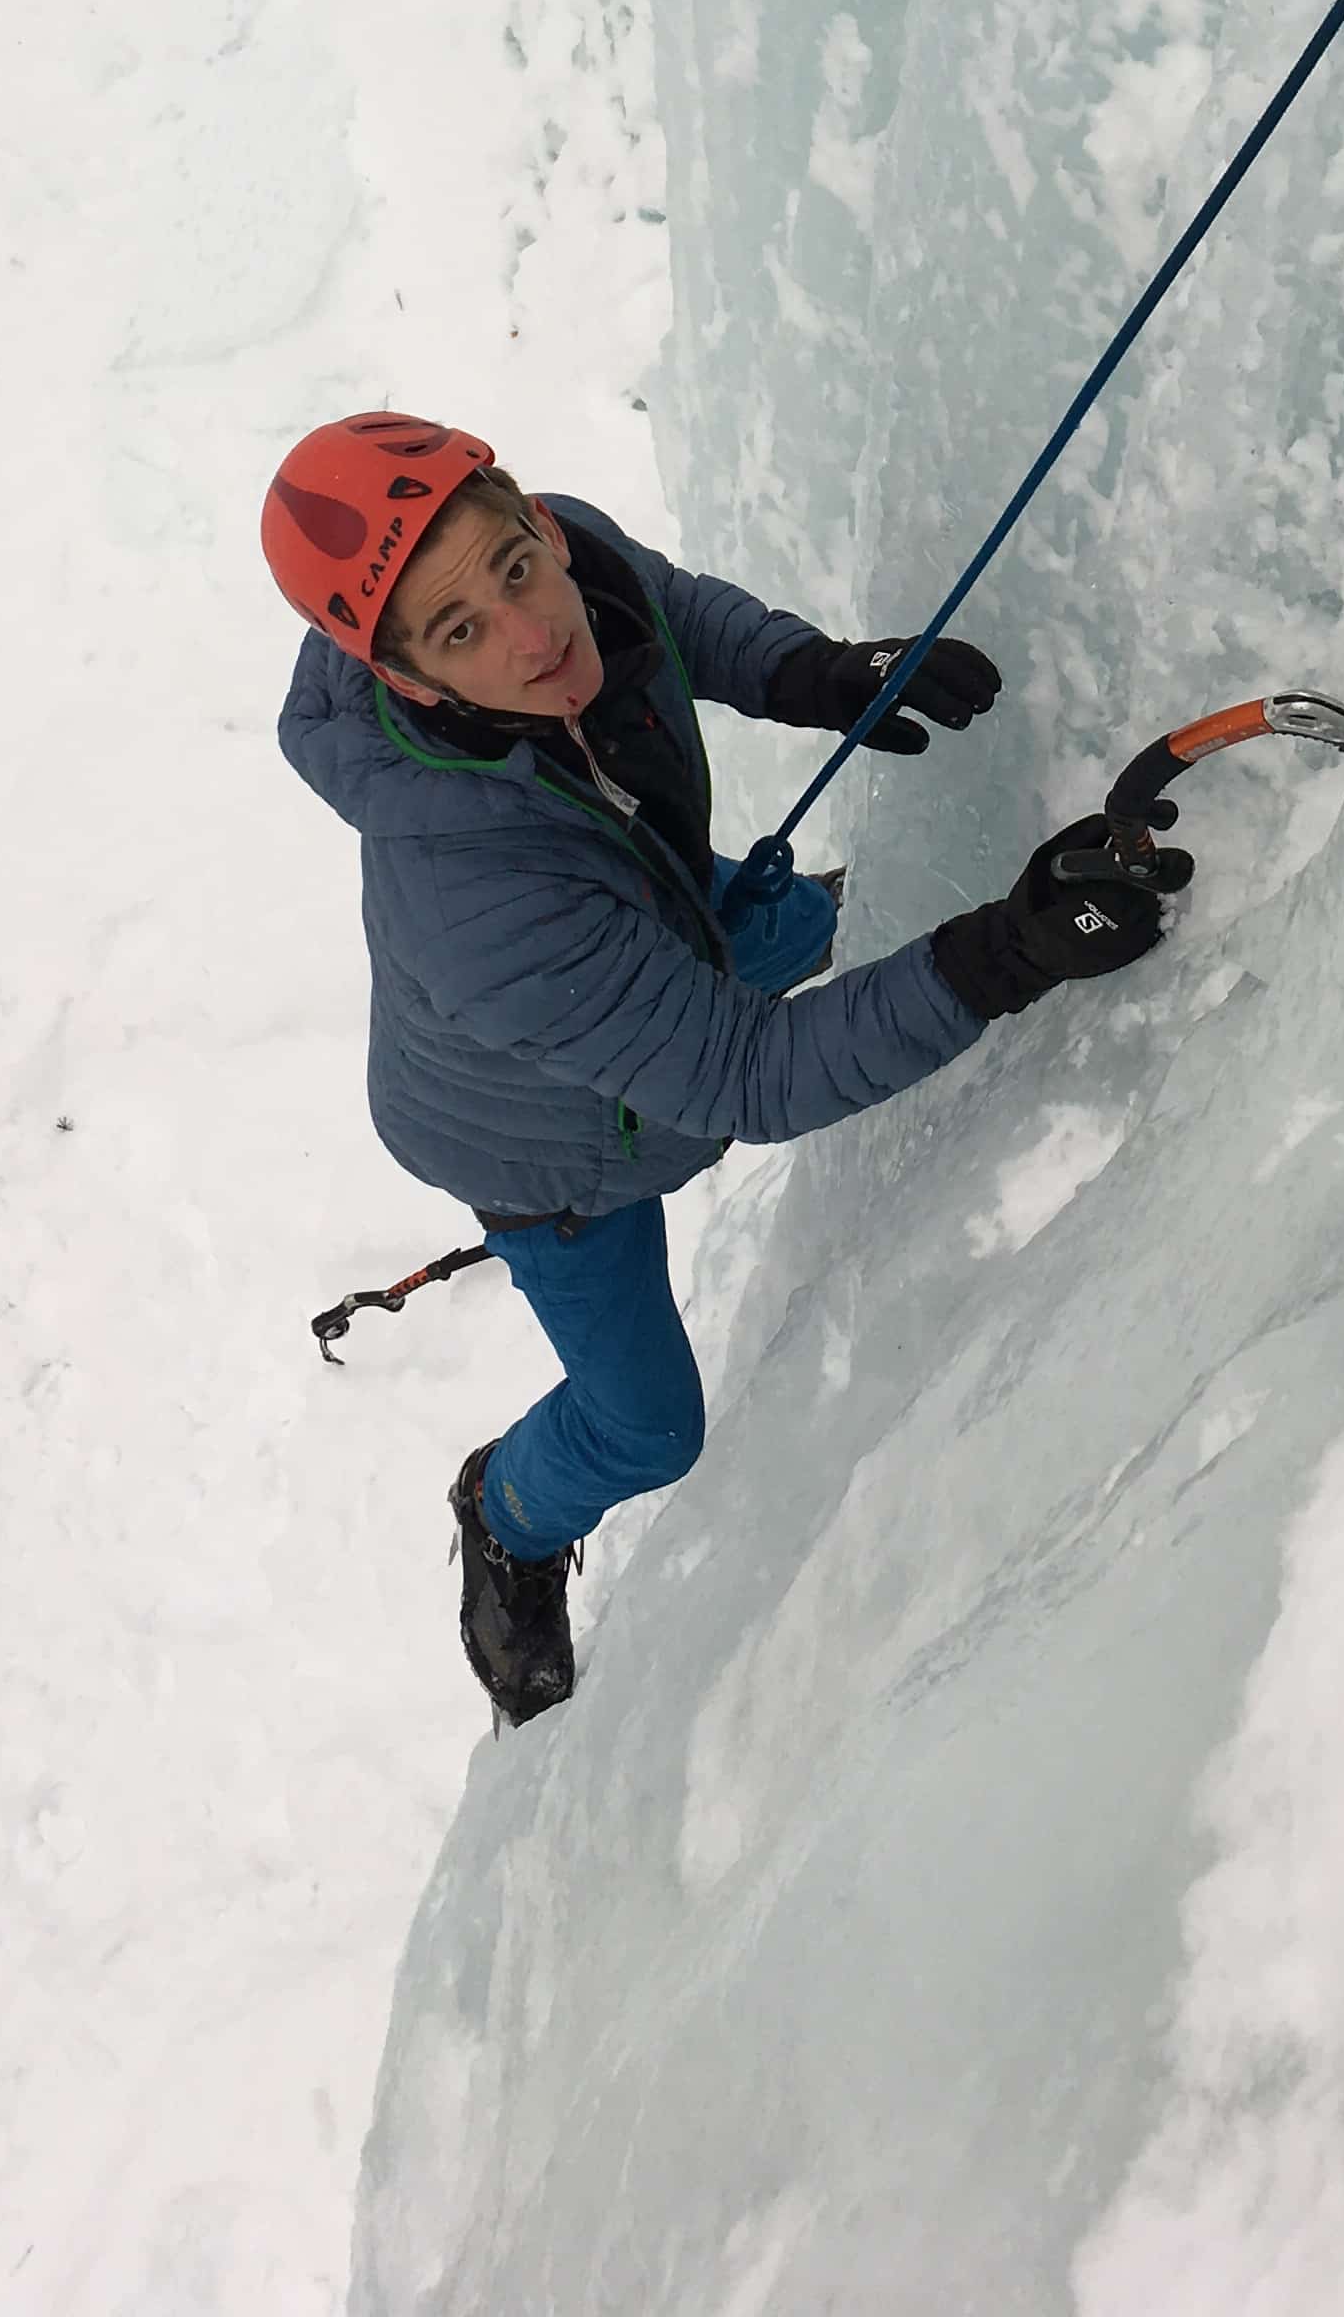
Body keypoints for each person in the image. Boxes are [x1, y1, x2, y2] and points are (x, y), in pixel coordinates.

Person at [263, 409, 1190, 1724]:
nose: (533, 635)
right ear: (409, 681)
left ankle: (783, 952)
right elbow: (751, 1079)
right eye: (462, 632)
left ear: (533, 518)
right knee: (649, 1426)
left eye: (517, 568)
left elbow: (667, 614)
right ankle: (507, 1512)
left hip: (633, 904)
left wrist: (814, 675)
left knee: (800, 925)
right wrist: (1006, 955)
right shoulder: (475, 906)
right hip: (549, 1156)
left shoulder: (570, 559)